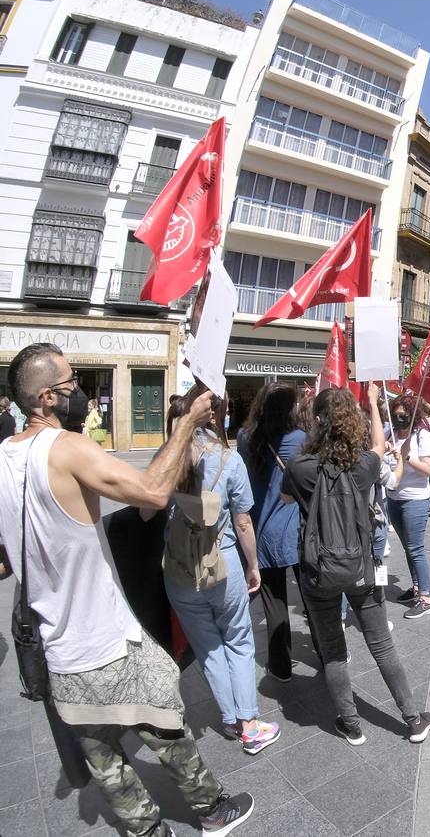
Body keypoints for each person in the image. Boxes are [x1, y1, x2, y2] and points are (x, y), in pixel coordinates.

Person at [0, 342, 255, 836]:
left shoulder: (2, 457)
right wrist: (186, 424)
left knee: (101, 753)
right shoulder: (67, 447)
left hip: (58, 646)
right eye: (74, 384)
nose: (82, 396)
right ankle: (211, 809)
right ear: (49, 397)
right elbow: (153, 493)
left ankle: (145, 829)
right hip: (103, 634)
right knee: (165, 721)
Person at [281, 385, 430, 747]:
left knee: (333, 650)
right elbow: (380, 449)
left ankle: (351, 724)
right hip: (361, 567)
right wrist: (371, 404)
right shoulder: (364, 464)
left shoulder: (299, 466)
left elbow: (287, 497)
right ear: (352, 422)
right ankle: (413, 719)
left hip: (318, 571)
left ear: (317, 423)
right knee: (382, 645)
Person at [162, 396, 279, 754]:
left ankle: (229, 718)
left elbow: (147, 514)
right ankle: (249, 725)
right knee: (239, 641)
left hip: (179, 570)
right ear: (210, 418)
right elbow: (243, 521)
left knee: (208, 647)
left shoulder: (162, 460)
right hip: (223, 566)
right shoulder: (228, 460)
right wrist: (254, 565)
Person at [237, 384, 310, 683]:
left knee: (274, 602)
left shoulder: (245, 438)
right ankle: (327, 650)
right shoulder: (300, 439)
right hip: (296, 531)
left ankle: (280, 667)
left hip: (261, 529)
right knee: (312, 598)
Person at [387, 395, 430, 619]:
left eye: (403, 415)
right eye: (395, 415)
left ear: (412, 415)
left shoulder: (422, 436)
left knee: (416, 548)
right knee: (408, 546)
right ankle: (416, 587)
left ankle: (427, 598)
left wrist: (406, 458)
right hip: (393, 498)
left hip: (415, 499)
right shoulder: (391, 434)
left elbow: (428, 470)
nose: (398, 419)